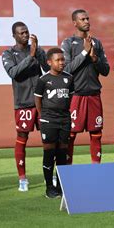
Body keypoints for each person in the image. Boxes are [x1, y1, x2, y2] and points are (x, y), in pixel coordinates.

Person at [2, 22, 49, 192]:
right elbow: (13, 73)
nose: (25, 35)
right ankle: (22, 178)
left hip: (41, 102)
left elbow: (47, 69)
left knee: (48, 138)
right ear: (14, 35)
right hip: (22, 103)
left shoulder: (37, 49)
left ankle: (49, 175)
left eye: (26, 32)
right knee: (22, 138)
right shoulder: (8, 53)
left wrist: (39, 54)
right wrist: (31, 56)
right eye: (21, 33)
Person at [61, 9, 109, 164]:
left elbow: (106, 70)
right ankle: (67, 171)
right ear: (75, 23)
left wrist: (95, 59)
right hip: (75, 96)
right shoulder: (68, 43)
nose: (87, 21)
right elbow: (66, 70)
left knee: (96, 134)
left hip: (94, 95)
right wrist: (84, 53)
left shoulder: (97, 42)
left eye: (87, 18)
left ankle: (96, 170)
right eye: (83, 19)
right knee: (70, 135)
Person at [34, 48, 72, 198]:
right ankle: (49, 187)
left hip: (64, 120)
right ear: (49, 62)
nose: (62, 62)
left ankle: (61, 186)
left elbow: (70, 97)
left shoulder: (69, 78)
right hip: (48, 120)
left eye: (63, 59)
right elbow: (37, 98)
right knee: (49, 153)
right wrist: (42, 115)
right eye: (58, 60)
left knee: (62, 153)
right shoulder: (43, 80)